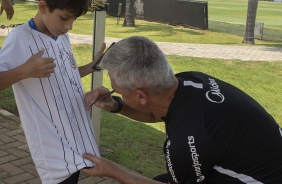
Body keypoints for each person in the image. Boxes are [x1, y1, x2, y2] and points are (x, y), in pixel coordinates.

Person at [83, 36, 282, 184]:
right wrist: (117, 105)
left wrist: (114, 170)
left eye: (116, 89)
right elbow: (158, 112)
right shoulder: (191, 80)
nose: (114, 92)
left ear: (141, 96)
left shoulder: (188, 140)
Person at [0, 0, 105, 183]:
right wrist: (25, 71)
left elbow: (65, 76)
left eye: (74, 19)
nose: (69, 26)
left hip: (78, 138)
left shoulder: (61, 35)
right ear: (43, 7)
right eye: (64, 18)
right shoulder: (20, 38)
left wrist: (91, 67)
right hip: (54, 149)